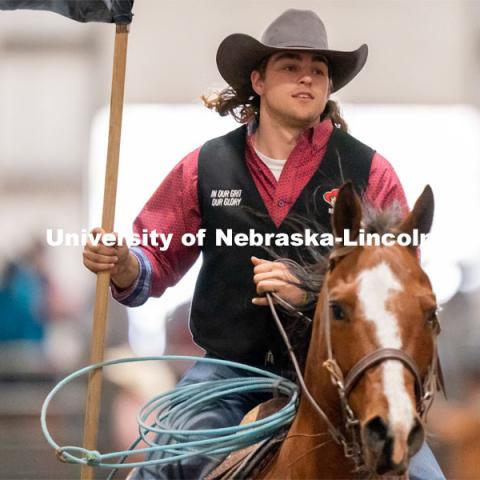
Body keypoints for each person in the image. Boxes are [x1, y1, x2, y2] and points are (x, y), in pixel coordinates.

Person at [83, 9, 445, 480]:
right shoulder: (205, 167)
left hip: (348, 379)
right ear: (257, 79)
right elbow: (154, 260)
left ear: (329, 87)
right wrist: (125, 264)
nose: (307, 78)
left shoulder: (369, 172)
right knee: (162, 466)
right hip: (231, 373)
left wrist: (310, 295)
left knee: (424, 476)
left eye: (318, 70)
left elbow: (399, 295)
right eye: (290, 66)